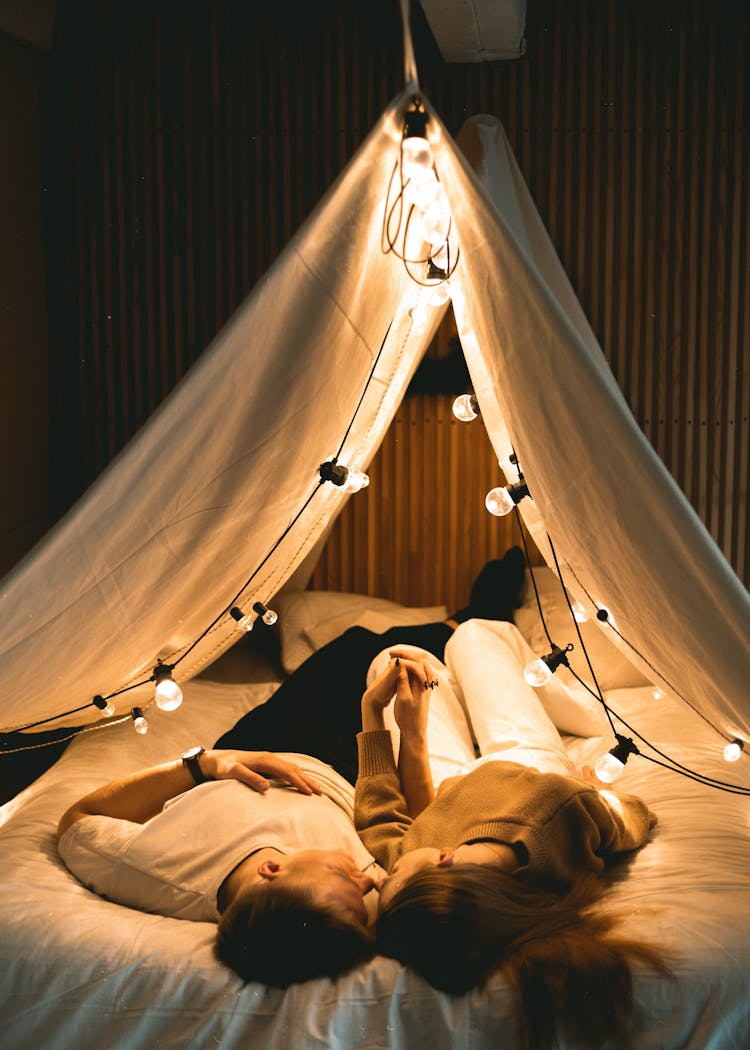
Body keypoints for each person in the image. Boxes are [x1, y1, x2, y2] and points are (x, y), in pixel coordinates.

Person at [57, 549, 527, 988]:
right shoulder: (346, 909)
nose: (369, 881)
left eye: (350, 879)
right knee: (395, 660)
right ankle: (477, 618)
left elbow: (77, 821)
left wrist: (203, 765)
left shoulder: (159, 874)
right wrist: (411, 733)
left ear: (271, 869)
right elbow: (422, 836)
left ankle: (457, 619)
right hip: (354, 773)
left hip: (257, 749)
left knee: (349, 648)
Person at [354, 617, 667, 1050]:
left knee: (397, 662)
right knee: (474, 634)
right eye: (390, 881)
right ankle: (591, 711)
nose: (379, 877)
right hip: (524, 765)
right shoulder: (552, 815)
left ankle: (443, 689)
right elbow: (632, 816)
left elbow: (379, 821)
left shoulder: (430, 883)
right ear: (442, 861)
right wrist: (597, 788)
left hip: (446, 783)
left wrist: (375, 713)